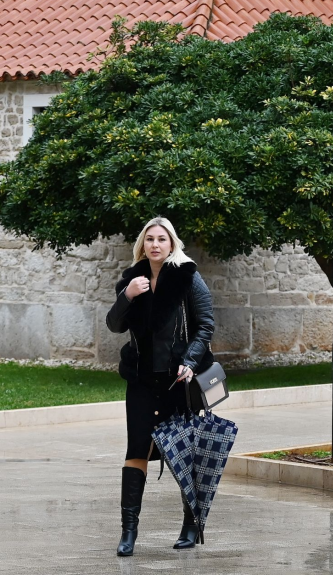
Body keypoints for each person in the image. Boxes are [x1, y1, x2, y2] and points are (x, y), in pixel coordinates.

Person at [106, 216, 215, 557]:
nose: (155, 244)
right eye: (150, 239)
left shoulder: (187, 278)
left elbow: (205, 325)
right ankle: (128, 533)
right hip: (140, 381)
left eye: (162, 239)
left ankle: (190, 524)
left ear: (172, 245)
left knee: (183, 452)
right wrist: (127, 295)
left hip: (176, 381)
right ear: (143, 245)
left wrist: (191, 360)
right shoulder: (132, 280)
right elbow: (114, 324)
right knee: (136, 450)